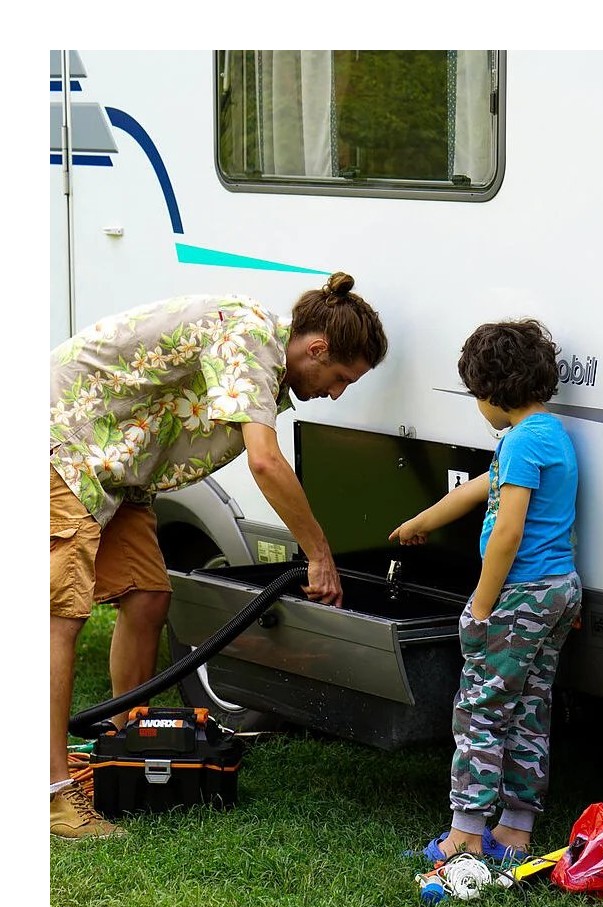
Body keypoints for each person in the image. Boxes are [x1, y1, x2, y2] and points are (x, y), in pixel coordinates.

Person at [50, 271, 387, 839]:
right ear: (316, 348)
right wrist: (319, 553)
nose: (336, 394)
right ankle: (52, 793)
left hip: (119, 468)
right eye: (340, 379)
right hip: (66, 443)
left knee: (148, 595)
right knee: (60, 617)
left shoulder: (262, 354)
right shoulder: (249, 334)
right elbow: (265, 461)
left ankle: (119, 752)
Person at [389, 319, 582, 864]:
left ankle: (467, 835)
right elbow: (480, 489)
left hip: (520, 595)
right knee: (528, 710)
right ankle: (515, 831)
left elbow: (508, 532)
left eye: (476, 394)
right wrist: (421, 522)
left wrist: (479, 606)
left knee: (479, 709)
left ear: (494, 392)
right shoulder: (550, 434)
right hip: (559, 589)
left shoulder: (520, 443)